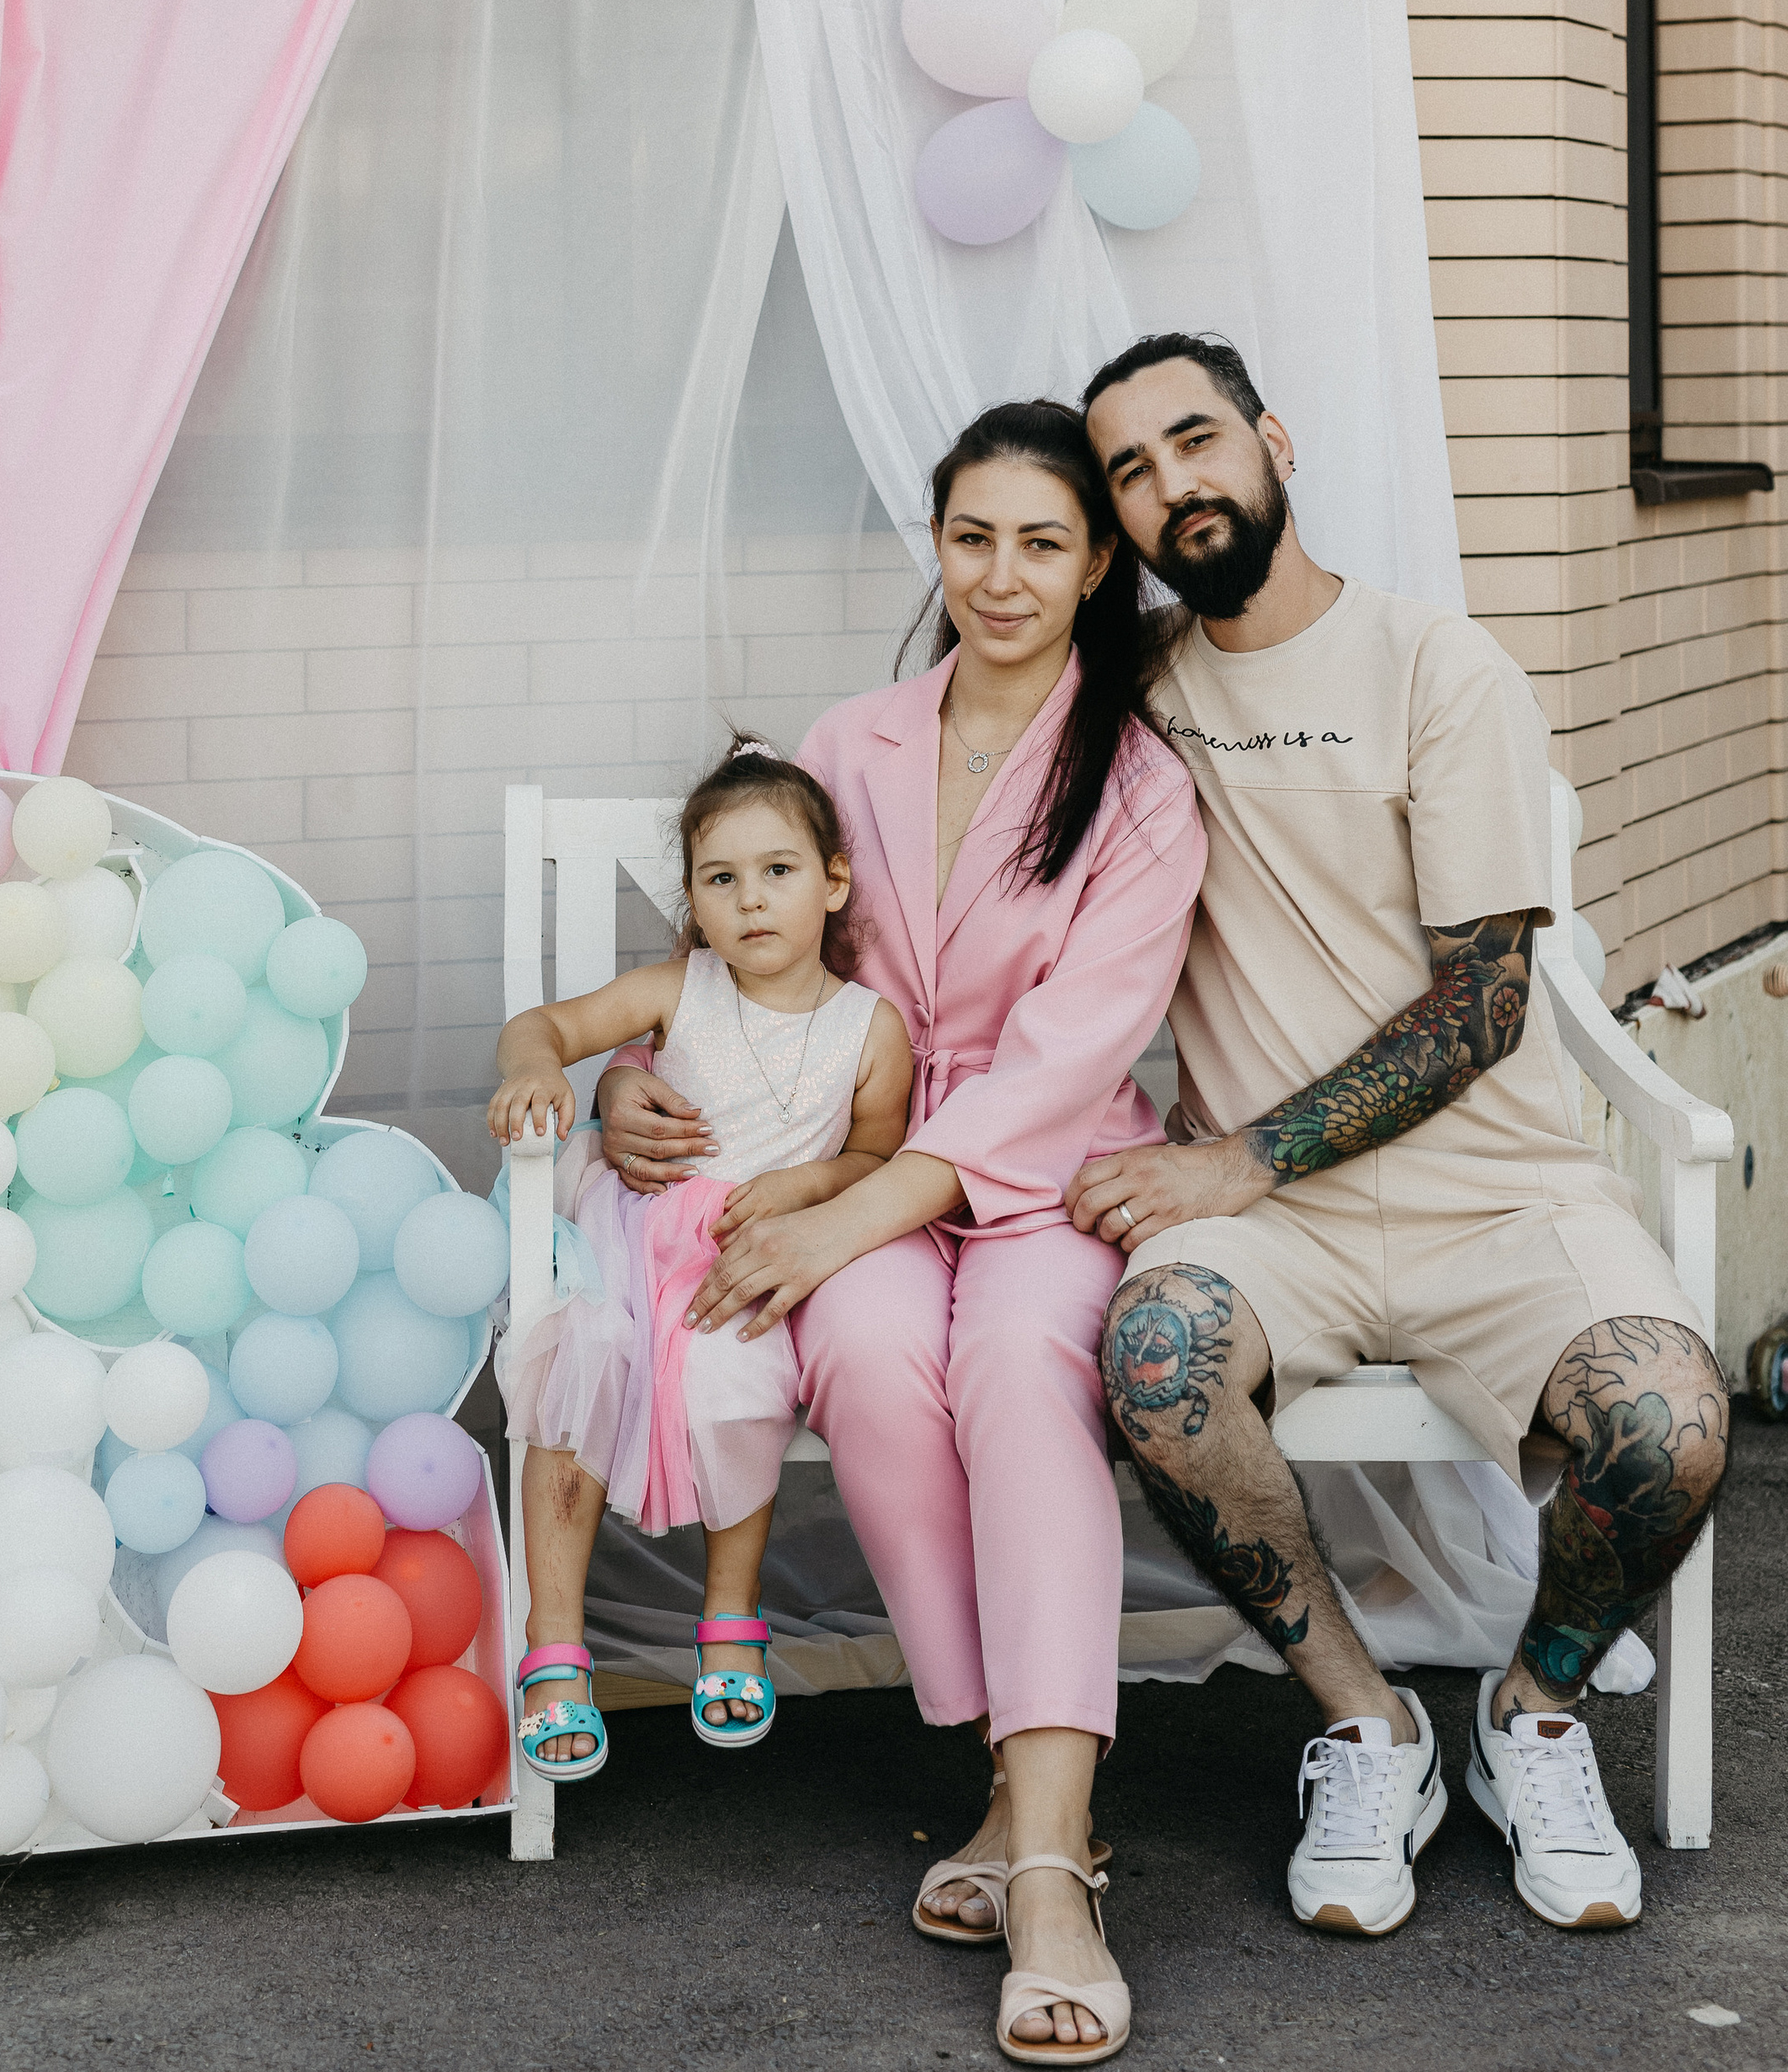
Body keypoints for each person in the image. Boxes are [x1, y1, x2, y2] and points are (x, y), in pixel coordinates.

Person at [1071, 329, 1730, 1940]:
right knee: (1155, 1359)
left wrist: (1238, 1156)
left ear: (1275, 441)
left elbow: (1487, 1001)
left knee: (1669, 1427)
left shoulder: (1442, 668)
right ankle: (1370, 1726)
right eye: (1132, 473)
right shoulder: (1134, 696)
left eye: (1196, 441)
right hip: (1273, 1236)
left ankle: (1533, 1714)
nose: (1175, 487)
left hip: (1491, 1198)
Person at [599, 399, 1205, 2064]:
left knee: (1013, 1360)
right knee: (866, 1355)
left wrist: (858, 1205)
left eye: (1040, 543)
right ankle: (1022, 1801)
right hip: (838, 1145)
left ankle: (1049, 1876)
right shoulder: (852, 736)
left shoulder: (1138, 785)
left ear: (1094, 568)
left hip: (1043, 1163)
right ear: (933, 548)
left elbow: (1063, 1062)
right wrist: (619, 1088)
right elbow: (755, 961)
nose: (999, 576)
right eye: (970, 538)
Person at [489, 737, 913, 1781]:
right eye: (721, 880)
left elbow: (877, 1151)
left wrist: (808, 1186)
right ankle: (555, 1646)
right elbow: (542, 1023)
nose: (752, 901)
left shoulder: (870, 1029)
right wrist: (536, 1066)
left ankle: (731, 1614)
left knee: (740, 1377)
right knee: (576, 1368)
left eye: (778, 872)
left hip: (742, 1255)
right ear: (693, 898)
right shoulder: (678, 990)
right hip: (632, 1236)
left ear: (833, 883)